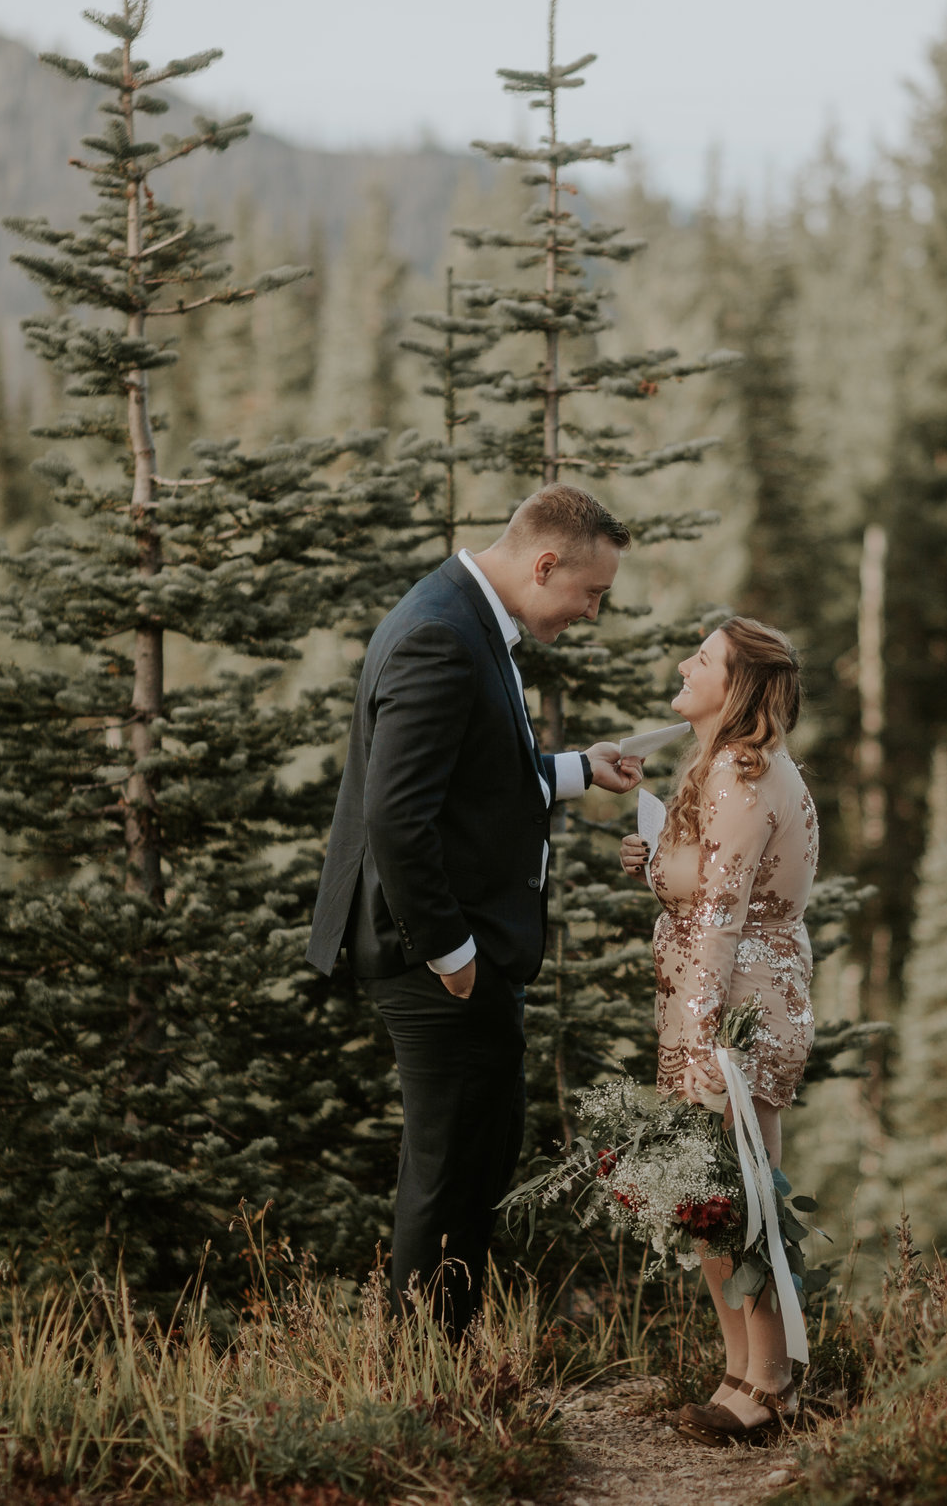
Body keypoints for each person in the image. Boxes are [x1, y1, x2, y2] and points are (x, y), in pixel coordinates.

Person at [308, 484, 643, 1335]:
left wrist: (578, 767)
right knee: (449, 1174)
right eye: (590, 593)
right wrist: (452, 953)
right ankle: (426, 1383)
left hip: (465, 951)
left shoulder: (464, 615)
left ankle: (443, 1367)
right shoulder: (440, 635)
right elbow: (398, 814)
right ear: (544, 564)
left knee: (475, 1162)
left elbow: (485, 776)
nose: (590, 612)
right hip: (437, 957)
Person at [618, 617, 816, 1445]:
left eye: (701, 658)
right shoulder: (730, 769)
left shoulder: (741, 771)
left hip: (731, 1006)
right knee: (711, 1199)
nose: (683, 663)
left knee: (738, 1196)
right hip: (717, 997)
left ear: (733, 687)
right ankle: (740, 1371)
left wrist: (702, 1044)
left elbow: (723, 919)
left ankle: (768, 1386)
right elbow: (710, 884)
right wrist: (658, 858)